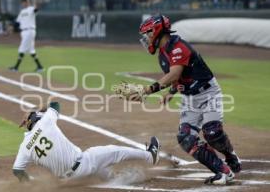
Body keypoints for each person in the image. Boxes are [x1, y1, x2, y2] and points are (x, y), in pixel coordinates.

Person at [133, 15, 242, 185]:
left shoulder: (178, 47)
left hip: (208, 94)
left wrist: (148, 90)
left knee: (212, 132)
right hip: (190, 98)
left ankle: (230, 155)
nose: (146, 39)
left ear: (156, 32)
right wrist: (172, 91)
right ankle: (223, 171)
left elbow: (174, 73)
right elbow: (179, 77)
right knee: (186, 138)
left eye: (147, 34)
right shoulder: (163, 54)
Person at [13, 101, 160, 182]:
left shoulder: (24, 147)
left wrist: (30, 184)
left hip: (67, 180)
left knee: (101, 170)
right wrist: (40, 109)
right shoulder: (45, 122)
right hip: (84, 164)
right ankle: (150, 155)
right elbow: (55, 104)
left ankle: (121, 179)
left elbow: (17, 171)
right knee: (115, 152)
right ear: (36, 117)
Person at [9, 0, 43, 72]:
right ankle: (40, 67)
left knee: (22, 49)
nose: (24, 3)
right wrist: (11, 26)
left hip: (30, 30)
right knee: (31, 50)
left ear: (28, 2)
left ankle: (16, 67)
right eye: (23, 2)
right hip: (24, 32)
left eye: (25, 2)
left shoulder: (31, 9)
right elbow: (17, 22)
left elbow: (36, 10)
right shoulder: (22, 11)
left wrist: (37, 4)